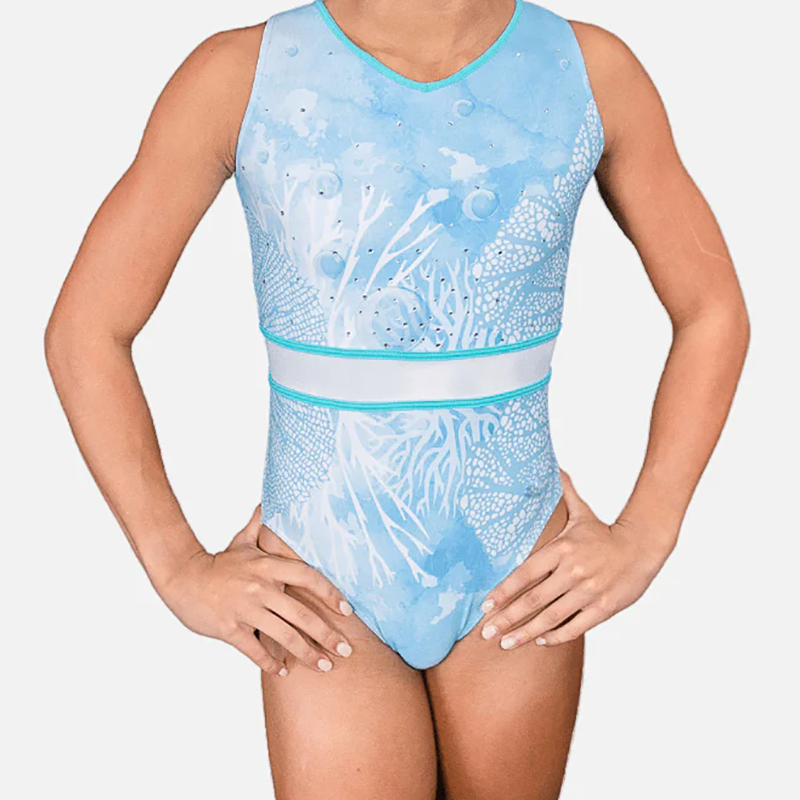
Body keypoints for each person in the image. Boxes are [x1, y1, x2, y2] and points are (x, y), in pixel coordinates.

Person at [45, 1, 749, 797]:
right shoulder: (236, 75)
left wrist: (648, 533)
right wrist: (175, 565)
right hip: (323, 575)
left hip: (514, 562)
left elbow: (713, 311)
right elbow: (86, 330)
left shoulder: (592, 71)